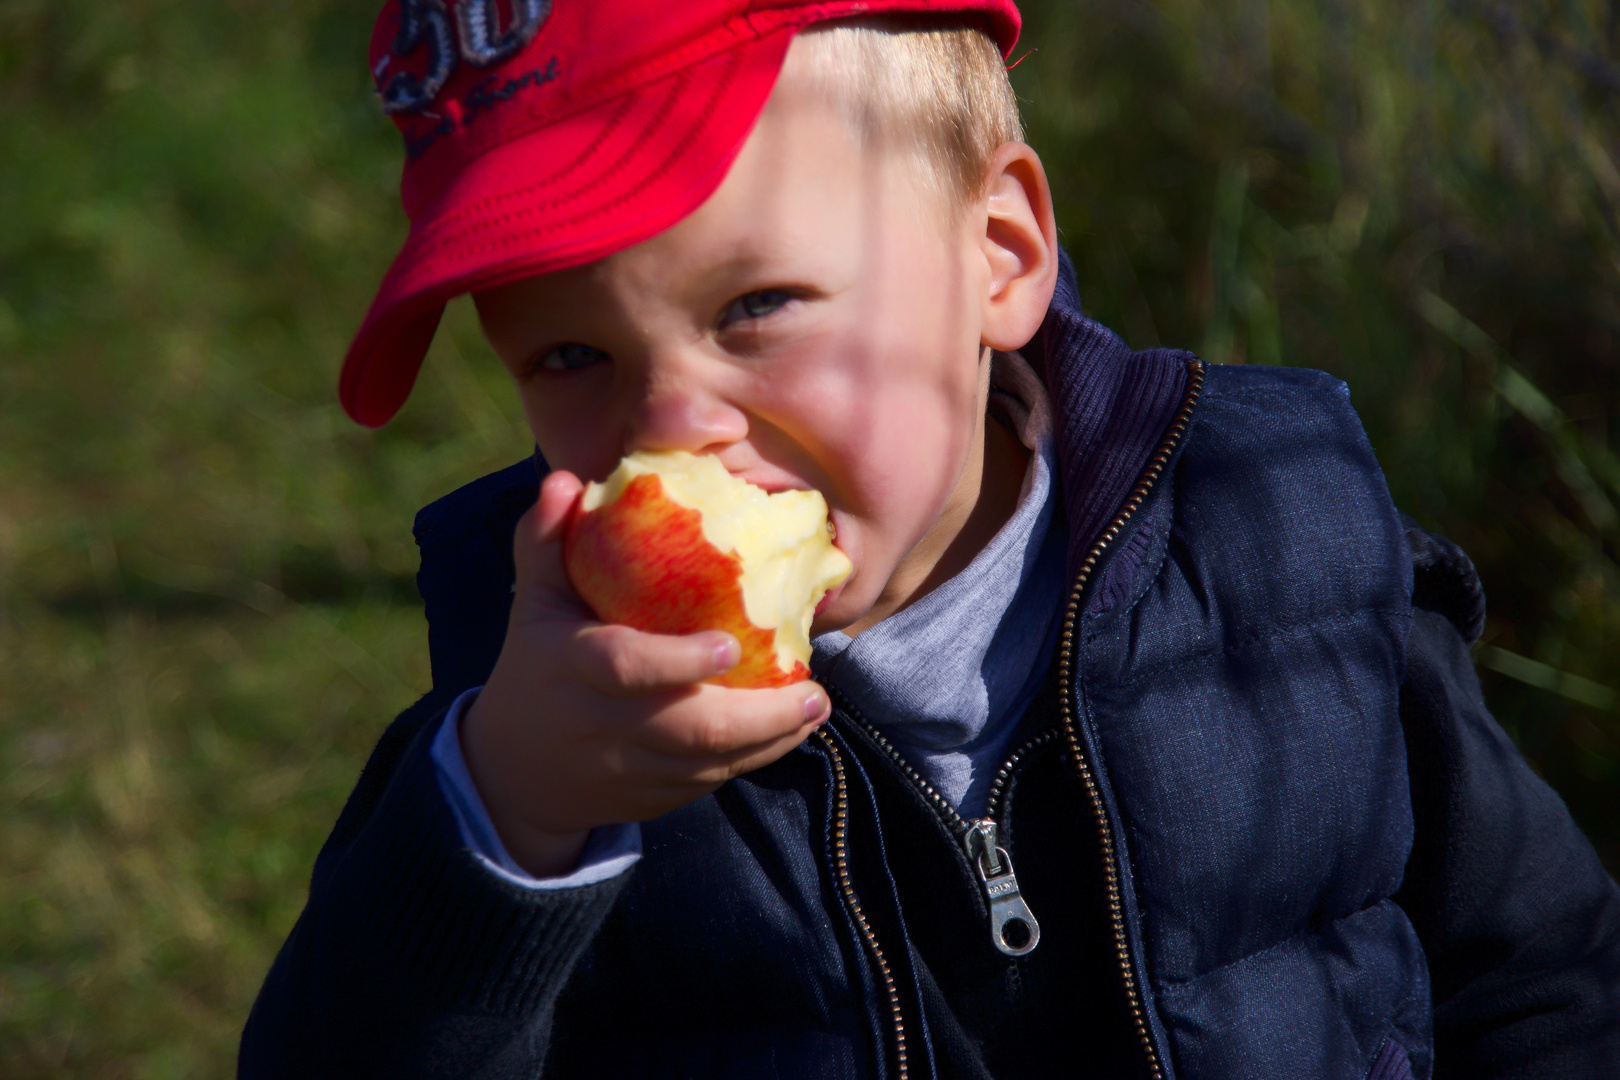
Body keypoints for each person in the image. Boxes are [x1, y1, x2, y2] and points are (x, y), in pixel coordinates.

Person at [239, 1, 1620, 1076]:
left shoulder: (1284, 554)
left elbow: (1541, 968)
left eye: (755, 305)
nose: (671, 431)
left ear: (1001, 254)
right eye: (569, 356)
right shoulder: (544, 716)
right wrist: (513, 823)